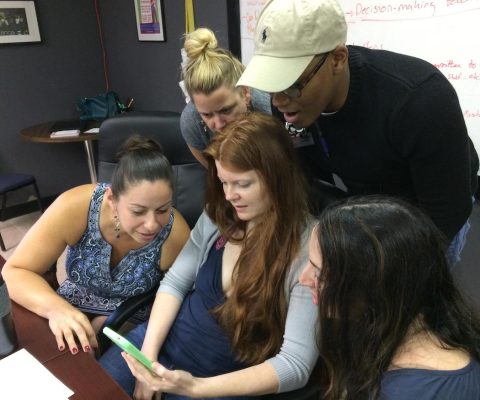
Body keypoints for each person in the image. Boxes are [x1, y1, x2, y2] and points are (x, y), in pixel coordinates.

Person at [237, 0, 479, 264]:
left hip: (430, 202)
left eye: (292, 83)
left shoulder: (420, 99)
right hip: (367, 195)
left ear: (337, 59)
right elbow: (308, 179)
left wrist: (389, 272)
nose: (278, 100)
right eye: (272, 84)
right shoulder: (289, 105)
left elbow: (445, 216)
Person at [99, 112, 318, 399]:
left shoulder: (310, 247)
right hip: (161, 346)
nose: (229, 195)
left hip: (218, 384)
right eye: (224, 182)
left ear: (278, 177)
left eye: (242, 184)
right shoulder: (221, 216)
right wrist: (148, 361)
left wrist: (193, 387)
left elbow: (295, 365)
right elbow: (175, 283)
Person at [1, 135, 190, 355]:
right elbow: (15, 271)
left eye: (162, 209)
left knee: (92, 370)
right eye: (138, 211)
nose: (151, 224)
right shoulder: (76, 206)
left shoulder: (174, 234)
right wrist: (57, 309)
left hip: (133, 312)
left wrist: (108, 324)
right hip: (72, 303)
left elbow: (183, 300)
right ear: (112, 199)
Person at [300, 196, 480, 399]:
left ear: (370, 285)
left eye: (319, 272)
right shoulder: (385, 329)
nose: (303, 279)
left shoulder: (415, 391)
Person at [180, 27, 271, 168]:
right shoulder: (191, 122)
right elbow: (219, 177)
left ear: (245, 93)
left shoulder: (269, 110)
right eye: (207, 115)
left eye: (226, 110)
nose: (219, 124)